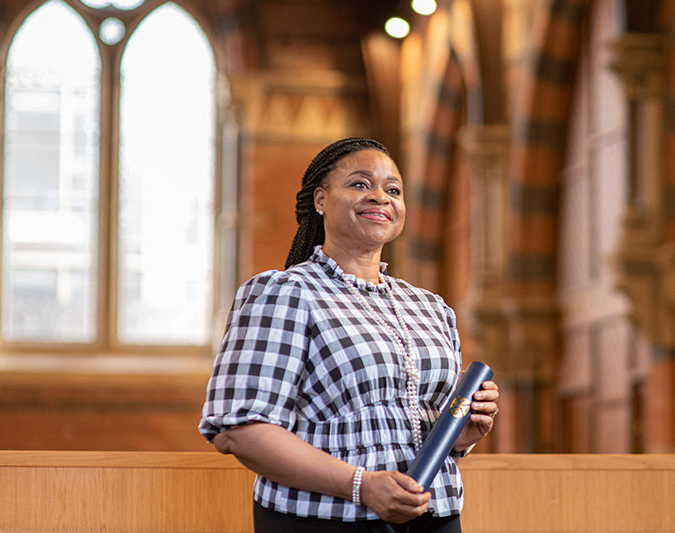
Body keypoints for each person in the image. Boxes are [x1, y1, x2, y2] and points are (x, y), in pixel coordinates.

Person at [199, 137, 500, 532]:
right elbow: (239, 431)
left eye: (393, 190)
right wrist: (362, 485)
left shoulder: (431, 307)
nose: (380, 197)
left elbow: (406, 426)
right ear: (320, 200)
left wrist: (463, 434)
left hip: (434, 518)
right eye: (360, 184)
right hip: (327, 520)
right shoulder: (286, 293)